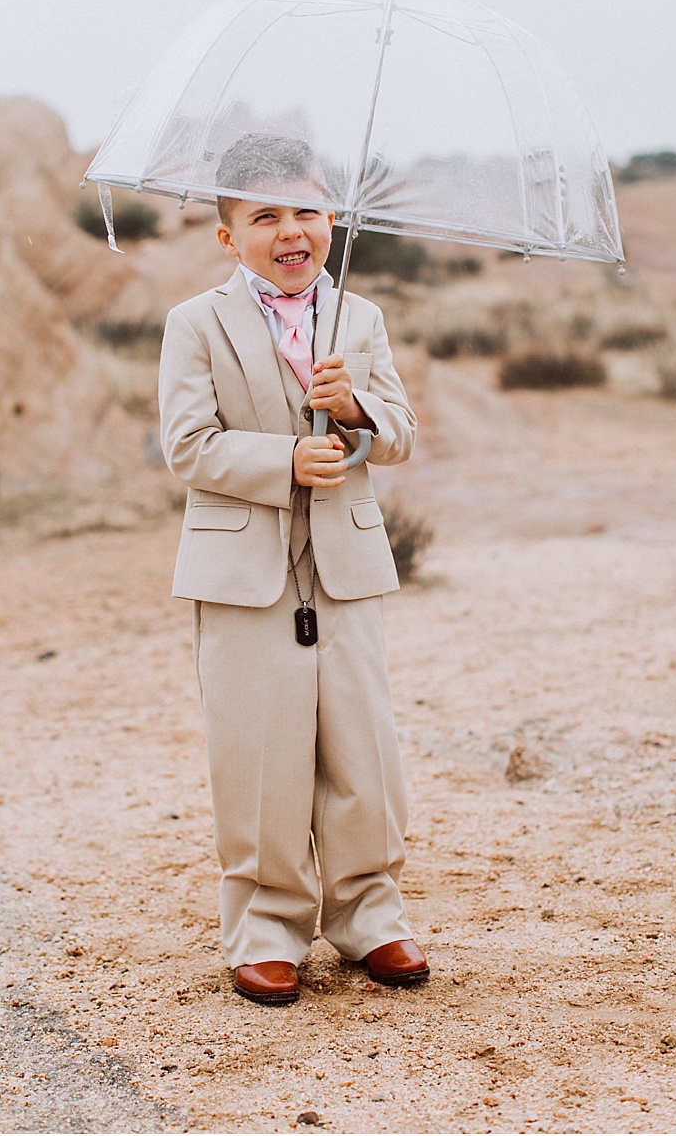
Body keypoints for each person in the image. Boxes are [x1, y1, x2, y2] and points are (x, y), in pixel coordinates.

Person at [158, 133, 430, 1006]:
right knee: (260, 748)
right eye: (264, 215)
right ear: (227, 233)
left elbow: (399, 435)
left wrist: (352, 408)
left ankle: (369, 917)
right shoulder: (195, 324)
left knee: (363, 747)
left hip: (345, 566)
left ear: (333, 218)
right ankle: (267, 926)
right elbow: (189, 446)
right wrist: (284, 462)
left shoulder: (361, 319)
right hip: (244, 571)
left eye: (306, 211)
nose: (290, 232)